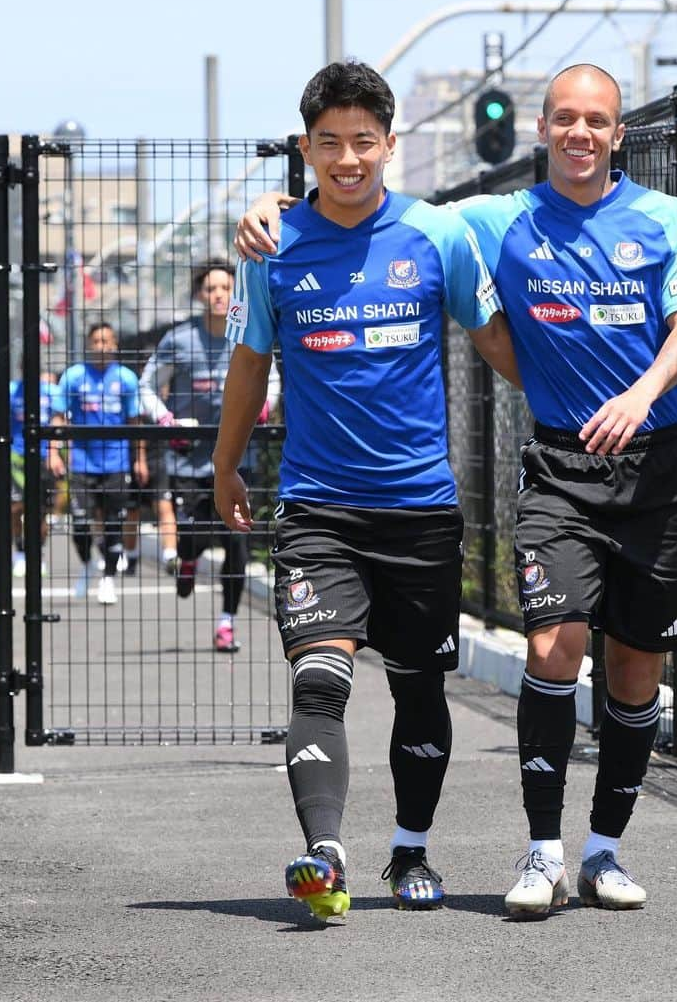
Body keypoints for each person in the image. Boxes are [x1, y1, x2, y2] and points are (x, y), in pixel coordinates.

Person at [235, 63, 677, 919]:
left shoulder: (661, 215)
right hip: (550, 471)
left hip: (654, 470)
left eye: (595, 121)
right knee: (549, 646)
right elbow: (375, 210)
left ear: (617, 134)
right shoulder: (494, 220)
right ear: (541, 128)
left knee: (636, 672)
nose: (579, 133)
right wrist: (275, 208)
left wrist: (640, 394)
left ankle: (602, 848)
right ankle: (528, 852)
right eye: (564, 118)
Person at [215, 60, 519, 921]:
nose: (346, 159)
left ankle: (411, 851)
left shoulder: (437, 235)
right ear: (305, 149)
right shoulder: (272, 248)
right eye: (328, 143)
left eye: (362, 142)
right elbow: (247, 364)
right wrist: (225, 462)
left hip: (420, 507)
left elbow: (495, 339)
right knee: (320, 680)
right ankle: (326, 854)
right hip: (317, 506)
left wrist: (581, 399)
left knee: (421, 687)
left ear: (390, 144)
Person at [139, 260, 282, 652]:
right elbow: (147, 386)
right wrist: (165, 418)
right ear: (199, 294)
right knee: (194, 531)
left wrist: (265, 406)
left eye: (225, 287)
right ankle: (187, 559)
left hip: (239, 457)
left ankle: (227, 623)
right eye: (211, 288)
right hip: (189, 458)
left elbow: (269, 377)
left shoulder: (250, 332)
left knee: (236, 542)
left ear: (236, 292)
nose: (218, 294)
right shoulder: (178, 339)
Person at [49, 322, 146, 606]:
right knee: (80, 524)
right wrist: (53, 452)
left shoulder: (126, 379)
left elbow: (135, 422)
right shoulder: (74, 376)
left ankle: (108, 578)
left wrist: (139, 459)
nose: (102, 346)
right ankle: (87, 563)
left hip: (116, 463)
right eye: (96, 341)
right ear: (89, 345)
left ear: (115, 345)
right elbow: (58, 416)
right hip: (82, 462)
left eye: (107, 341)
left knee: (114, 522)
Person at [9, 364, 57, 578]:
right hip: (16, 457)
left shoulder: (50, 392)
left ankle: (37, 554)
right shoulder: (11, 390)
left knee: (40, 511)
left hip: (44, 458)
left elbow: (60, 419)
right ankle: (19, 552)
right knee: (15, 508)